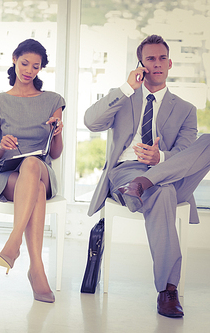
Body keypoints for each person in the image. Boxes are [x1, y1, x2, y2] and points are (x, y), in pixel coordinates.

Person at [84, 34, 200, 318]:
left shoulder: (186, 110)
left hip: (170, 173)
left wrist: (160, 159)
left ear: (170, 63)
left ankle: (149, 180)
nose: (157, 64)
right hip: (128, 172)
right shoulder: (125, 98)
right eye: (150, 59)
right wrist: (126, 87)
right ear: (141, 64)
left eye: (162, 58)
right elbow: (90, 122)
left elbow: (187, 153)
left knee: (206, 143)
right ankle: (168, 290)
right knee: (163, 192)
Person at [0, 39, 65, 303]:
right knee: (36, 189)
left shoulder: (53, 101)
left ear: (41, 69)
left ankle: (14, 241)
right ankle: (37, 269)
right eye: (24, 63)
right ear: (14, 60)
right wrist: (1, 145)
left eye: (36, 66)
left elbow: (54, 153)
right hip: (9, 174)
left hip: (40, 168)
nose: (29, 70)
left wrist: (58, 133)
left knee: (32, 163)